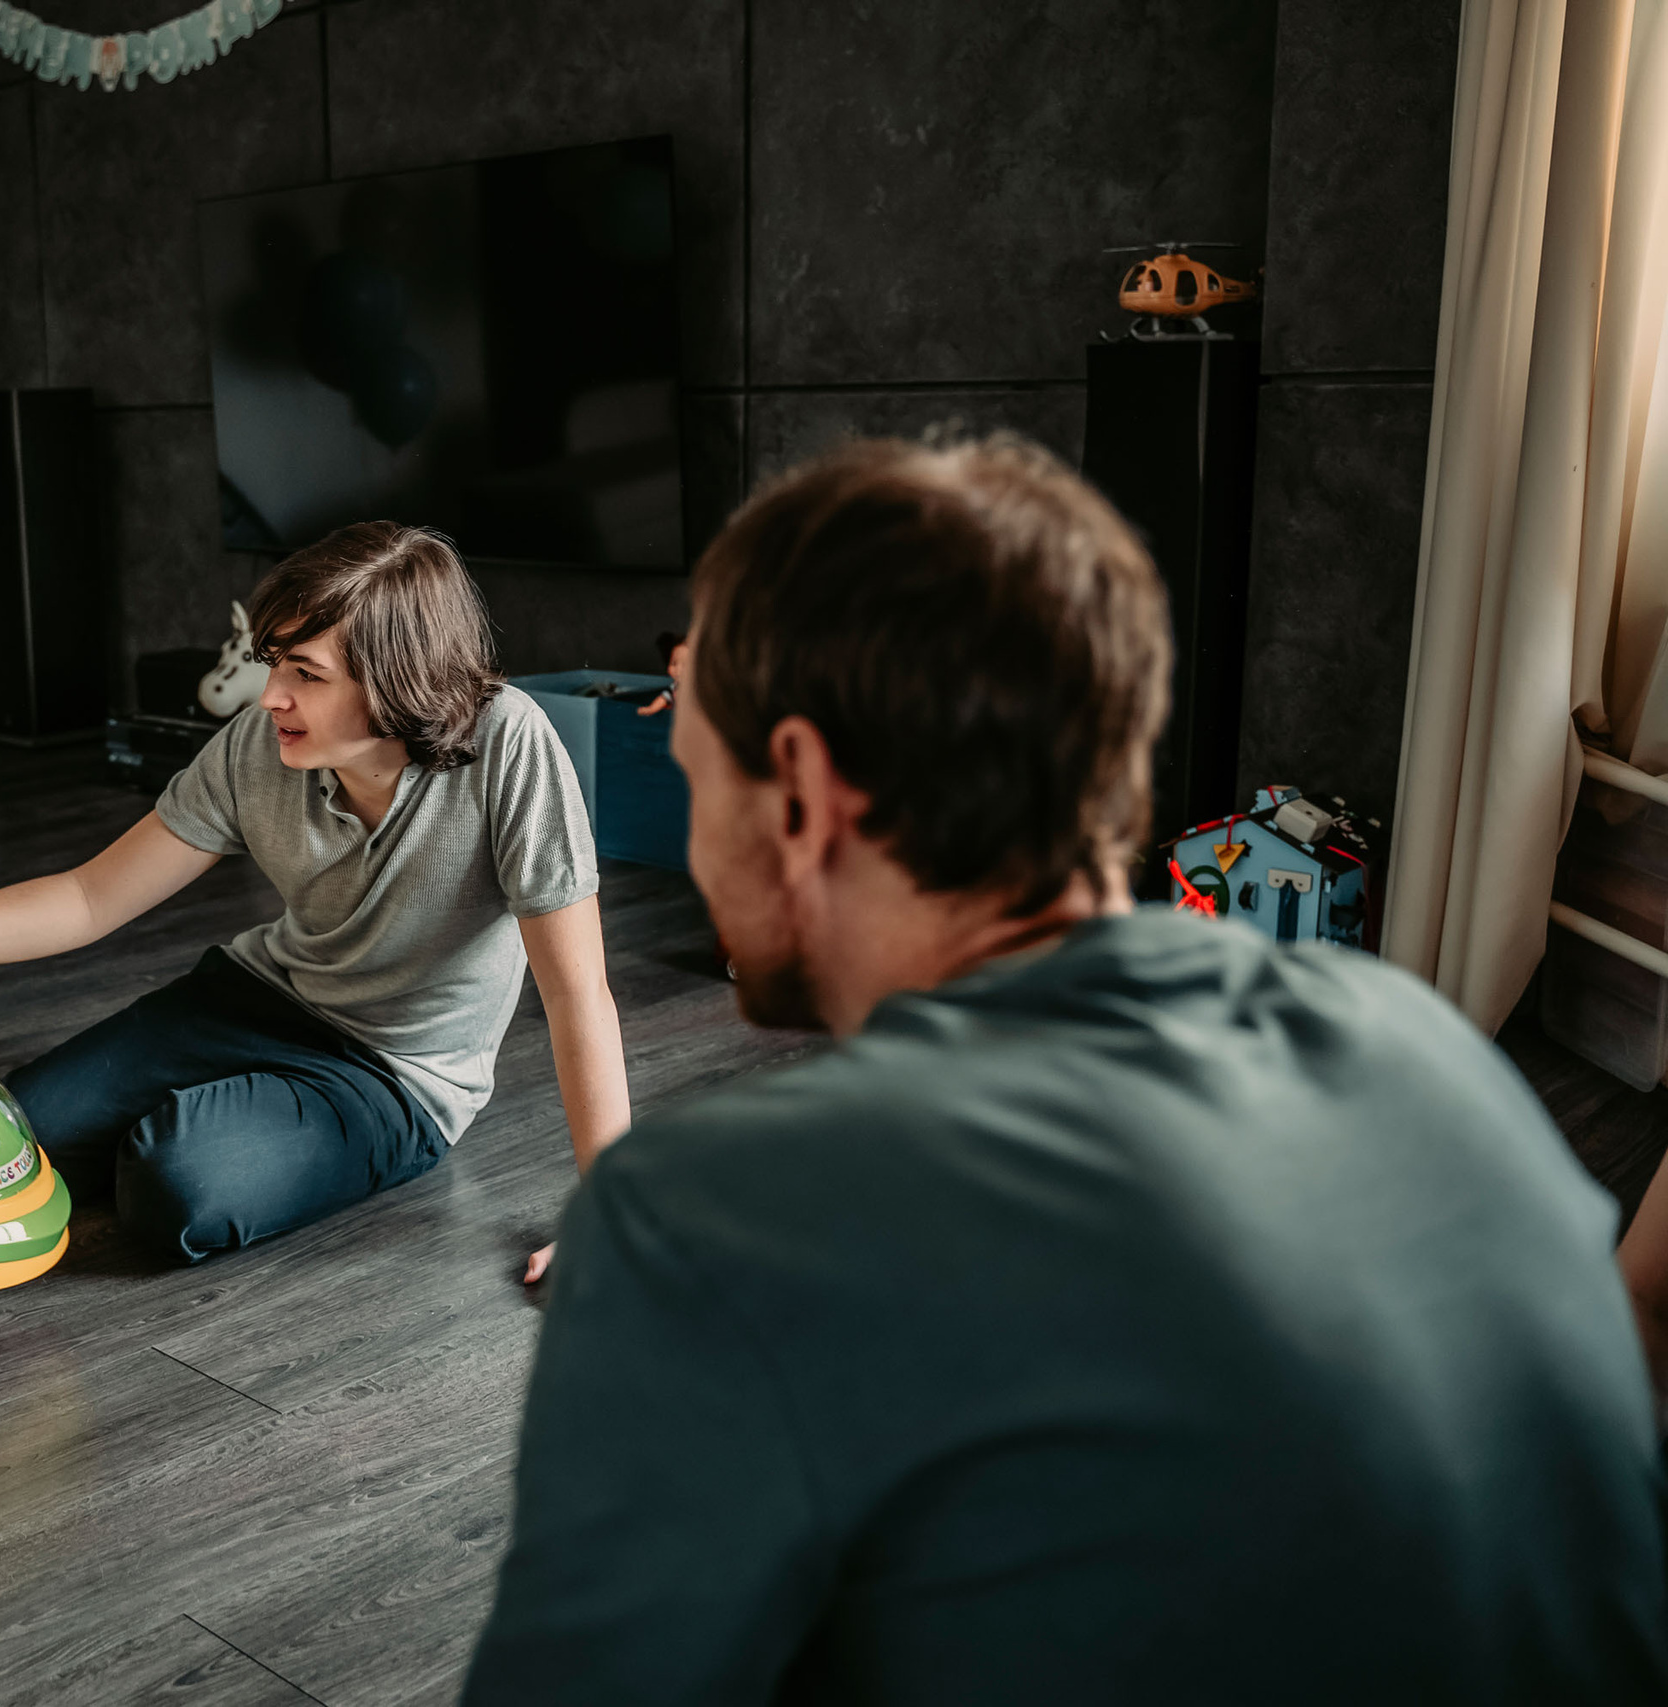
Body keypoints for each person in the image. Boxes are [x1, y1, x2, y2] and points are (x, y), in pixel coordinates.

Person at [463, 437, 1668, 1703]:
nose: (697, 842)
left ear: (805, 790)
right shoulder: (1422, 1045)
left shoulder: (703, 1221)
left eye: (698, 777)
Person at [0, 522, 630, 1267]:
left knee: (170, 1186)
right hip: (255, 999)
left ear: (398, 680)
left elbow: (576, 993)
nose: (274, 695)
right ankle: (222, 1105)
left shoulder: (509, 744)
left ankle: (222, 1124)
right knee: (7, 1131)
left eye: (307, 674)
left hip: (395, 1077)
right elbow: (90, 896)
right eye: (272, 663)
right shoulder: (258, 746)